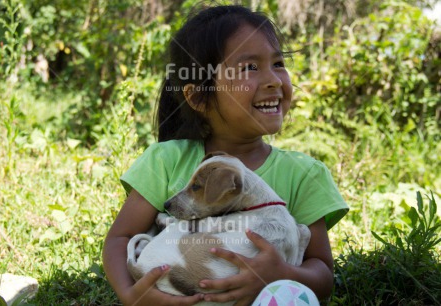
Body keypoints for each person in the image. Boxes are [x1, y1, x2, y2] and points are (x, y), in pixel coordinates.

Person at [103, 4, 349, 306]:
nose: (273, 80)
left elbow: (322, 273)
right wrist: (131, 295)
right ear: (198, 97)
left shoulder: (303, 174)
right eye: (250, 68)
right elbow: (119, 240)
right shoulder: (166, 161)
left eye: (278, 64)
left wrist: (282, 273)